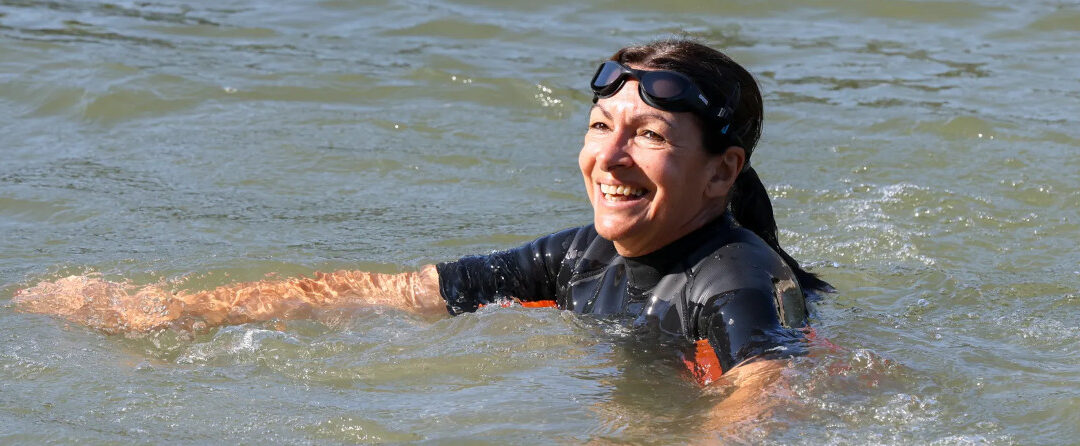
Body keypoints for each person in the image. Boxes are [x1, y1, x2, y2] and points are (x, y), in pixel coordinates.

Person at [15, 39, 831, 393]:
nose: (608, 159)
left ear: (723, 173)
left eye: (648, 137)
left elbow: (765, 395)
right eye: (598, 128)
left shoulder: (737, 278)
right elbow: (396, 290)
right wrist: (174, 313)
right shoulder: (582, 256)